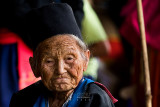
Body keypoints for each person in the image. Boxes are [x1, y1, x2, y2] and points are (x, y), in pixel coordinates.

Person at [9, 3, 117, 107]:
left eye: (69, 58)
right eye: (49, 61)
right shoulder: (23, 99)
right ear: (34, 66)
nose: (60, 70)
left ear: (85, 60)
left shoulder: (93, 99)